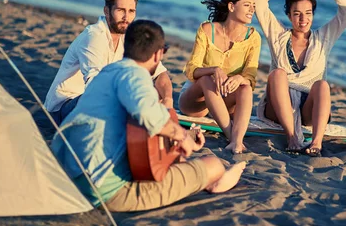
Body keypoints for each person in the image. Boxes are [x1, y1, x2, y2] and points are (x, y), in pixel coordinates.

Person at [51, 20, 246, 212]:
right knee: (214, 165)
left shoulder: (108, 72)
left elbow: (139, 132)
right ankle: (214, 183)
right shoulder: (136, 75)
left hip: (71, 174)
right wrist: (182, 136)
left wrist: (183, 139)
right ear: (158, 54)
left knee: (174, 161)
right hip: (104, 190)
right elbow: (147, 114)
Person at [254, 0, 346, 156]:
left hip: (309, 108)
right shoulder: (278, 35)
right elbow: (259, 2)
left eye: (308, 13)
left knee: (322, 85)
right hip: (277, 106)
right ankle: (292, 138)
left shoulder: (324, 37)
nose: (303, 19)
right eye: (297, 13)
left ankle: (316, 143)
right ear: (288, 15)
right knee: (278, 74)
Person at [44, 0, 172, 124]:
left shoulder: (129, 35)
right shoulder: (94, 36)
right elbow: (95, 87)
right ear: (107, 11)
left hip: (99, 101)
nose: (126, 17)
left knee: (150, 93)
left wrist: (168, 100)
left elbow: (160, 73)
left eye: (131, 11)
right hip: (65, 107)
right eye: (120, 10)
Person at [178, 0, 261, 154]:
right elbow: (191, 69)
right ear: (231, 6)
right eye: (247, 5)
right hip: (197, 102)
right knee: (207, 79)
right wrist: (213, 69)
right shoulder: (207, 30)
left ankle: (237, 142)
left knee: (245, 87)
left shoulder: (253, 37)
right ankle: (232, 136)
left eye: (253, 6)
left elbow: (251, 77)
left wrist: (240, 79)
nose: (252, 9)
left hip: (226, 100)